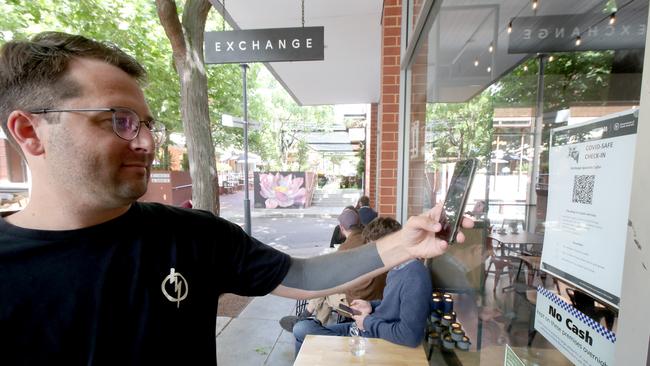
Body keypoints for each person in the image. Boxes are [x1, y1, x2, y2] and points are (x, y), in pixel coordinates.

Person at [0, 32, 472, 365]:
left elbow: (304, 275)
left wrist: (405, 245)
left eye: (147, 124)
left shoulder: (192, 235)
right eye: (119, 120)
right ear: (30, 132)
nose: (146, 142)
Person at [292, 217, 431, 355]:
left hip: (375, 339)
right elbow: (394, 306)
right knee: (303, 328)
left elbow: (410, 336)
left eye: (376, 249)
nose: (375, 256)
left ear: (392, 244)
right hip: (368, 328)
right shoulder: (396, 268)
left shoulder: (415, 276)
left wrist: (367, 322)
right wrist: (371, 305)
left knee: (303, 332)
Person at [279, 214, 391, 330]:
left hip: (360, 303)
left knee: (323, 292)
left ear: (341, 228)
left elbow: (338, 282)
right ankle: (309, 324)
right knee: (325, 291)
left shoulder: (345, 248)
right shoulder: (377, 245)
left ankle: (308, 323)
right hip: (377, 296)